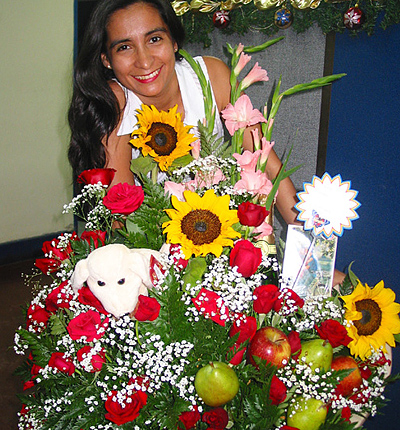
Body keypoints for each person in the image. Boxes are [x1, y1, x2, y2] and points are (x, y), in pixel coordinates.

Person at [68, 0, 300, 225]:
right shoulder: (114, 102)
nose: (144, 61)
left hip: (217, 226)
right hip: (150, 241)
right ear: (106, 60)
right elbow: (123, 216)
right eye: (124, 47)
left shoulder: (211, 76)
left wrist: (314, 255)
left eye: (154, 39)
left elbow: (266, 163)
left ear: (174, 41)